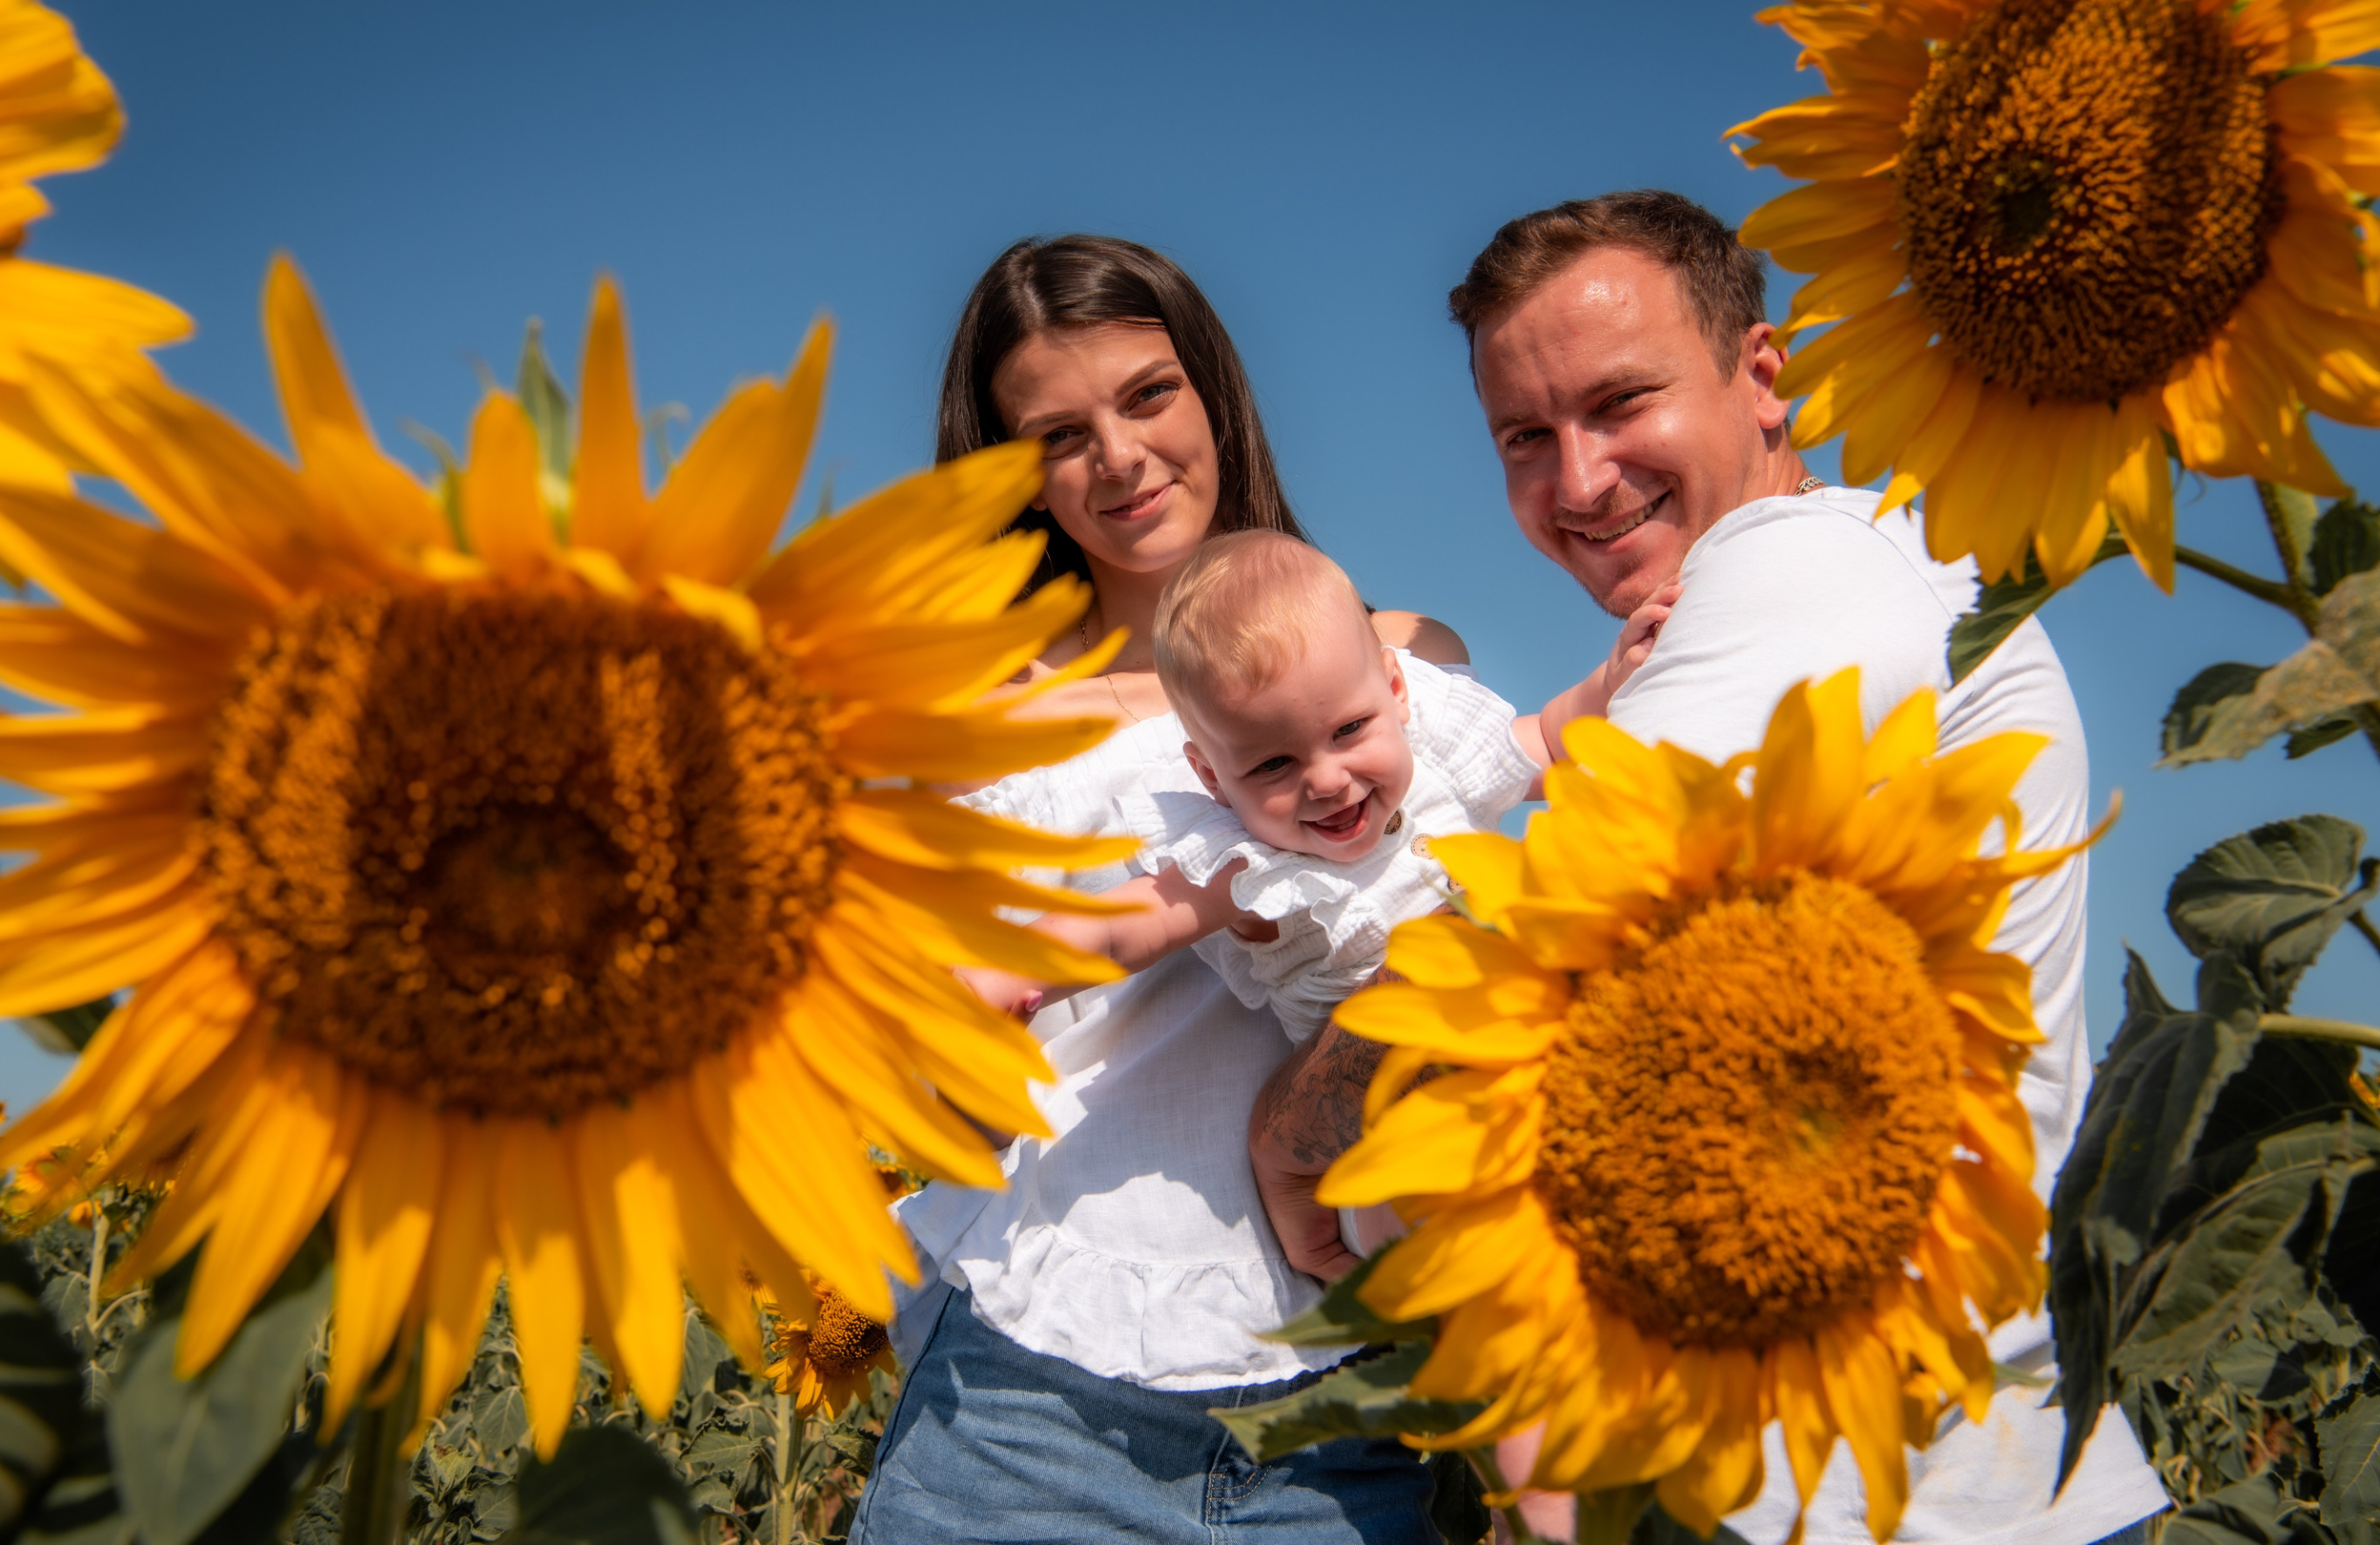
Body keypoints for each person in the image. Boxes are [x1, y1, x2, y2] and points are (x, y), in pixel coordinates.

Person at [1243, 191, 2169, 1545]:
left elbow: (1521, 973)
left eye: (1622, 402)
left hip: (1876, 1501)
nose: (1579, 481)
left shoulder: (1793, 569)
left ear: (1763, 377)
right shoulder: (1866, 573)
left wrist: (1287, 1135)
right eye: (1525, 438)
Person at [851, 236, 1463, 1544]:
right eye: (1060, 435)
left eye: (1146, 396)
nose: (1120, 458)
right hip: (1026, 1407)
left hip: (1336, 1411)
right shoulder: (965, 720)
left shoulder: (1406, 658)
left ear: (1211, 391)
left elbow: (1479, 940)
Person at [955, 529, 1674, 1039]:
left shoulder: (1437, 757)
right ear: (1211, 777)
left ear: (1397, 690)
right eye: (1273, 765)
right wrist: (1009, 976)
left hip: (1531, 1022)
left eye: (1349, 730)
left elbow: (1554, 740)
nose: (1327, 780)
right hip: (1374, 1110)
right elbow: (1121, 927)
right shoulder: (1249, 861)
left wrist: (1615, 677)